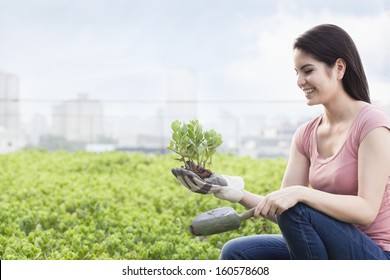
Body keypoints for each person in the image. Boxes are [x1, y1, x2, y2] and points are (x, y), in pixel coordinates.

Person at [171, 24, 390, 260]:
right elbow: (282, 210)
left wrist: (300, 194)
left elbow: (366, 211)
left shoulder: (371, 124)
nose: (300, 81)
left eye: (307, 70)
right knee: (236, 253)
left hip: (374, 254)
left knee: (296, 206)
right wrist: (233, 191)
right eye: (296, 72)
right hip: (326, 246)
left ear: (338, 68)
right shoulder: (306, 134)